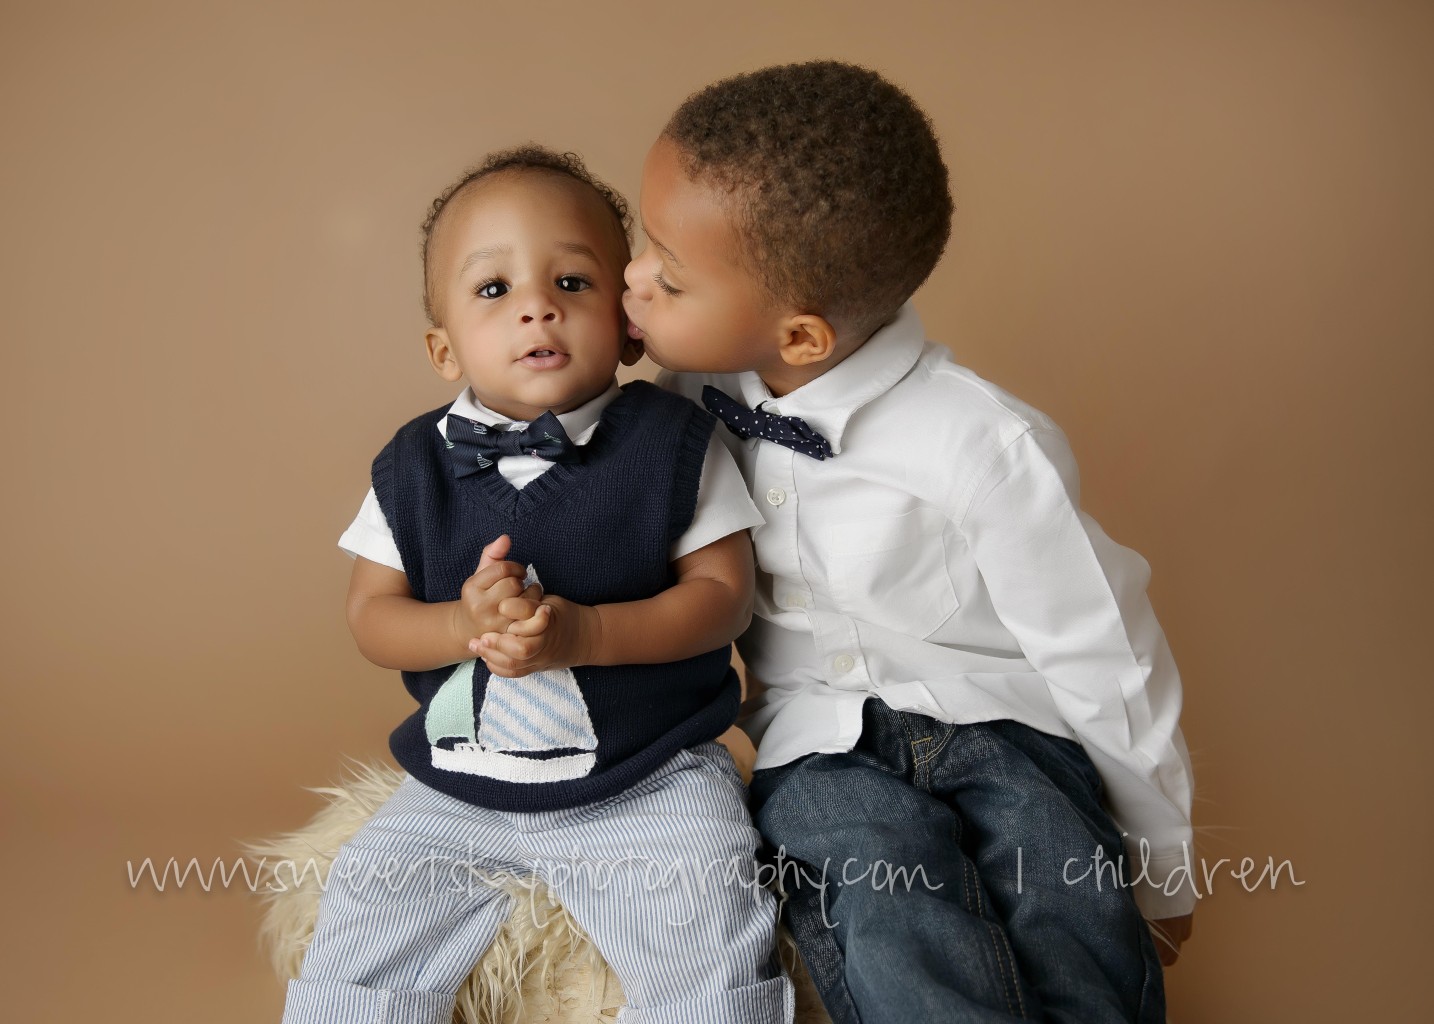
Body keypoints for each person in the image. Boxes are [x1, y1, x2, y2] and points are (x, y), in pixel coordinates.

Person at [624, 60, 1196, 1024]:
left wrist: (1165, 866)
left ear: (799, 337)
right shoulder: (683, 402)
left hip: (1006, 725)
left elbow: (1105, 651)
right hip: (820, 744)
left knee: (1074, 912)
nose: (635, 279)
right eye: (644, 252)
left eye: (666, 278)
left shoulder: (983, 443)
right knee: (892, 920)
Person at [283, 145, 793, 1024]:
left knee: (708, 926)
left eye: (572, 283)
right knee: (367, 918)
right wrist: (456, 627)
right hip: (459, 783)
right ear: (444, 347)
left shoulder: (671, 445)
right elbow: (372, 617)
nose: (536, 308)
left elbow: (721, 597)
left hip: (649, 777)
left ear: (630, 325)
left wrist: (587, 636)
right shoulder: (411, 467)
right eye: (494, 291)